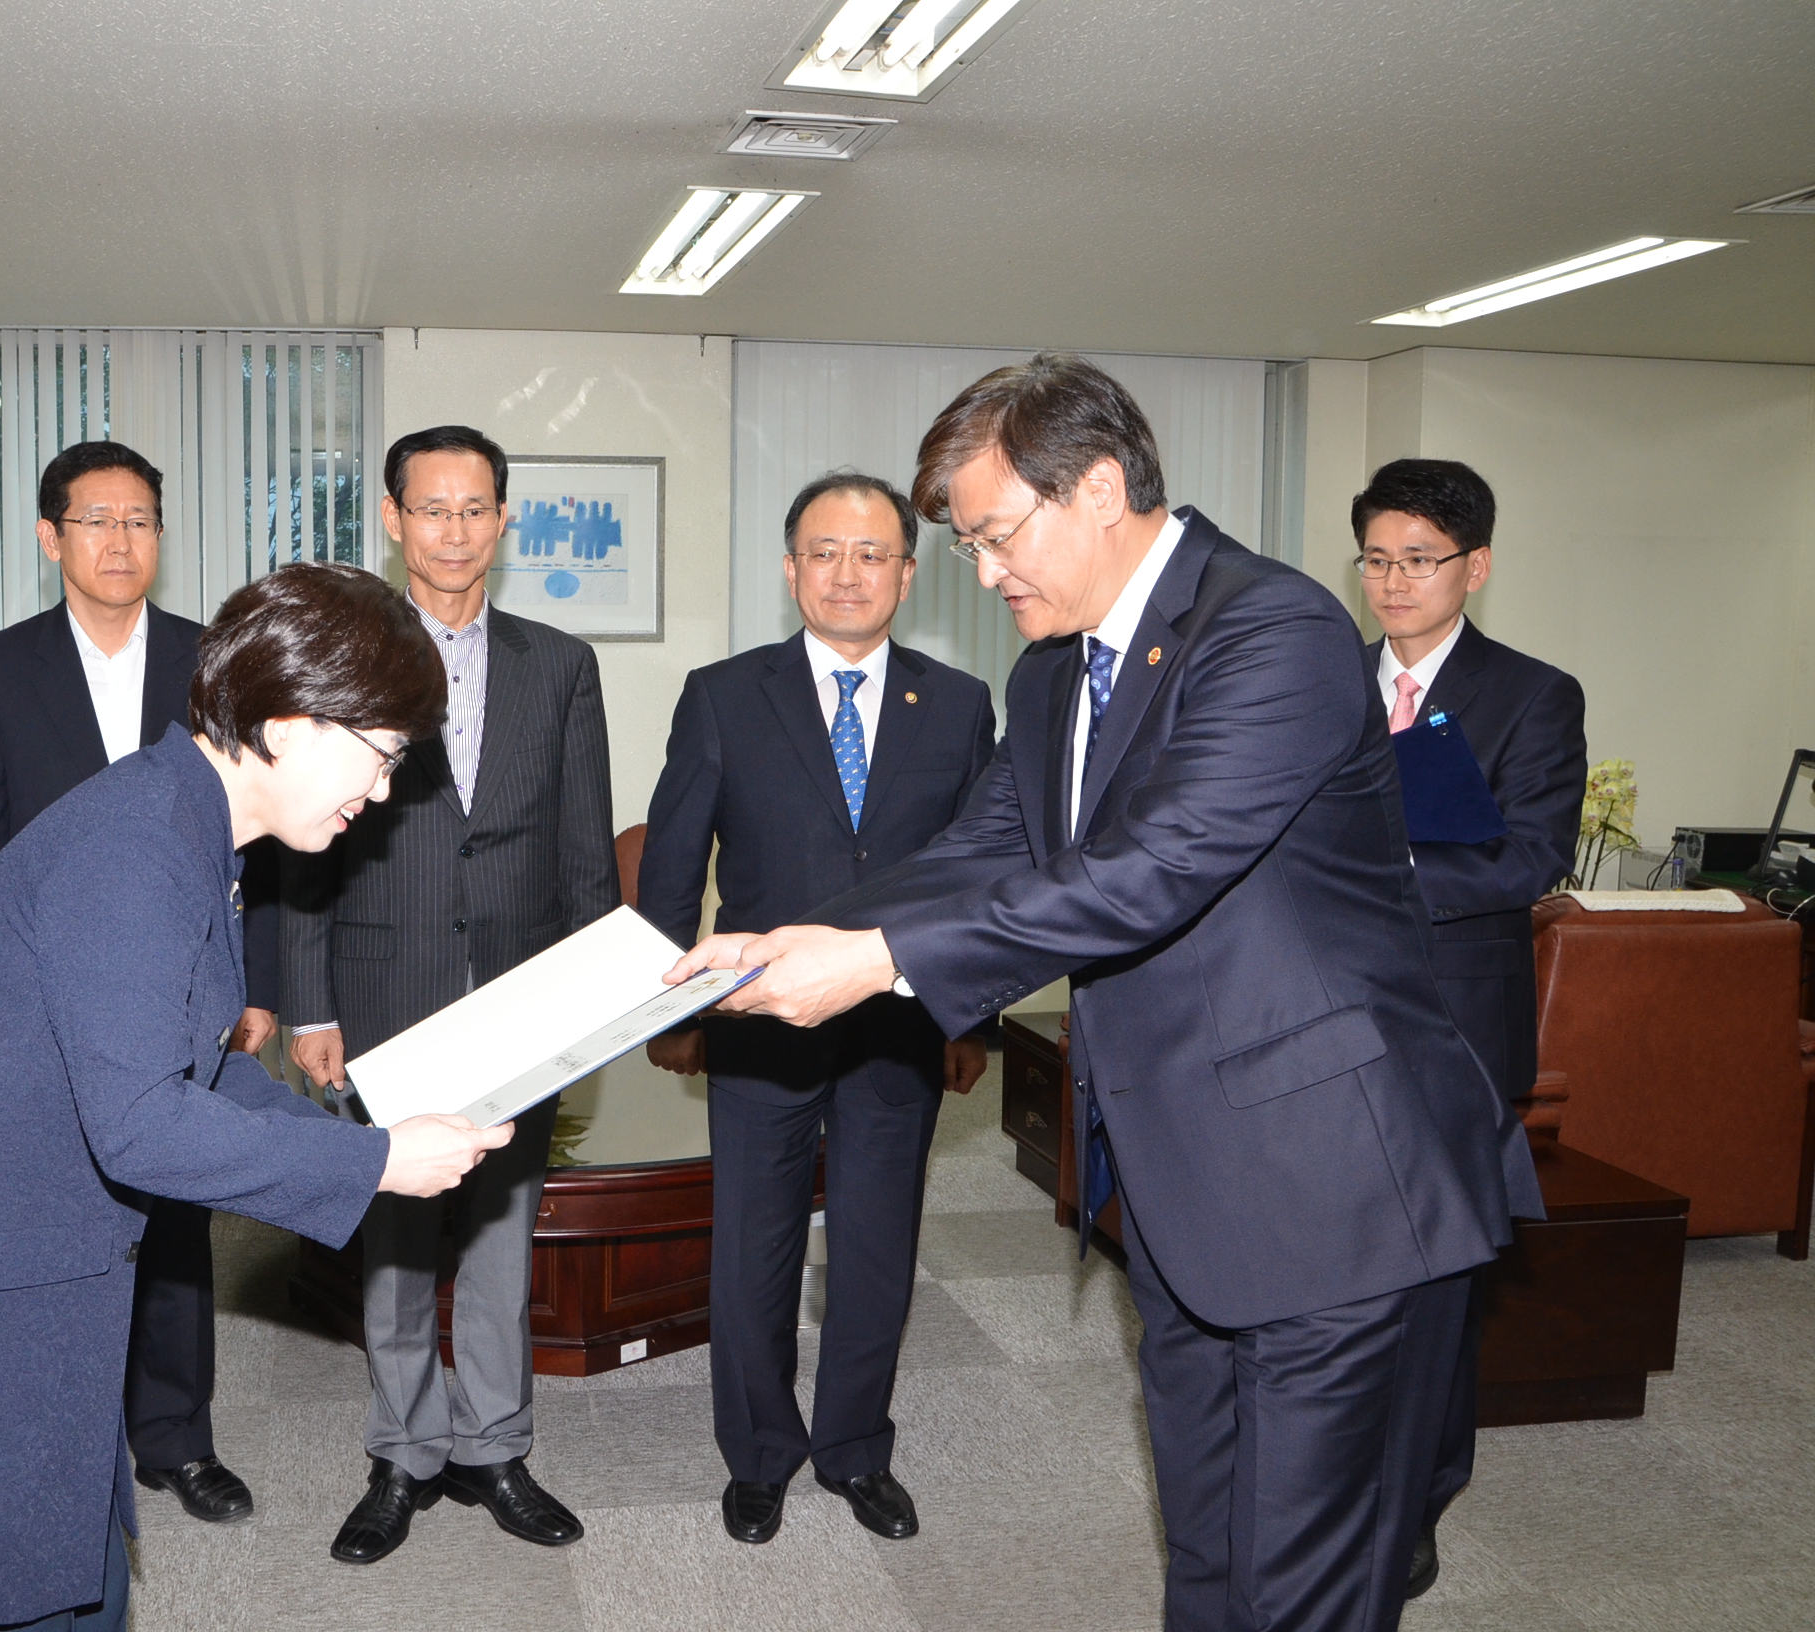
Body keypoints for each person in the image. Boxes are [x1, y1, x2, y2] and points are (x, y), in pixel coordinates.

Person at [667, 353, 1542, 1632]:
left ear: (1099, 488)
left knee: (1303, 1582)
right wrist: (786, 938)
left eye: (994, 535)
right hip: (1184, 1182)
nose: (983, 572)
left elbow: (1153, 871)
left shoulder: (1273, 630)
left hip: (1333, 1185)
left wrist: (876, 965)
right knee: (1204, 1551)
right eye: (964, 545)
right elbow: (986, 851)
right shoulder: (1051, 670)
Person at [0, 561, 509, 1631]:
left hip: (21, 1299)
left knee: (80, 1588)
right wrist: (377, 1165)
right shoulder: (136, 852)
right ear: (292, 720)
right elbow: (144, 1127)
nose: (383, 792)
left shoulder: (182, 822)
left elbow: (195, 1075)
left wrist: (375, 1140)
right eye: (382, 757)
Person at [636, 472, 995, 1547]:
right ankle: (759, 1454)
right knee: (752, 1249)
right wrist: (668, 1009)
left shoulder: (962, 701)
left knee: (878, 1247)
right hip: (757, 1024)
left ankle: (851, 1449)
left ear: (907, 573)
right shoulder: (722, 693)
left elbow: (980, 876)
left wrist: (966, 1012)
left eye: (871, 553)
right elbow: (669, 865)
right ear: (791, 569)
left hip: (895, 1020)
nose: (848, 573)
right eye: (824, 552)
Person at [282, 425, 620, 1566]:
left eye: (476, 509)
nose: (454, 532)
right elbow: (300, 850)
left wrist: (594, 1002)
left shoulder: (560, 664)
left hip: (521, 994)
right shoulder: (341, 655)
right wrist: (308, 1003)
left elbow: (583, 851)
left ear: (502, 521)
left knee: (501, 1232)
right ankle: (401, 1454)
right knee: (395, 1233)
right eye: (432, 509)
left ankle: (495, 1446)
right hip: (385, 985)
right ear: (392, 519)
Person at [0, 439, 278, 1526]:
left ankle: (176, 1438)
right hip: (40, 997)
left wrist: (253, 983)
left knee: (173, 1219)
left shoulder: (210, 661)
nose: (120, 539)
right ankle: (64, 1436)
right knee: (54, 1220)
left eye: (139, 520)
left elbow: (256, 842)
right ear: (52, 538)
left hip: (179, 988)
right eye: (96, 520)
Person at [1354, 457, 1585, 1597]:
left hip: (1456, 1021)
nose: (1393, 584)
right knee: (1346, 1263)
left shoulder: (1533, 694)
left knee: (1439, 1273)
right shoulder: (1318, 683)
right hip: (1333, 1016)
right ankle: (1348, 1471)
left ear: (1473, 566)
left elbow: (1531, 858)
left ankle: (1420, 1495)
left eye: (1418, 561)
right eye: (1377, 560)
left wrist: (1384, 863)